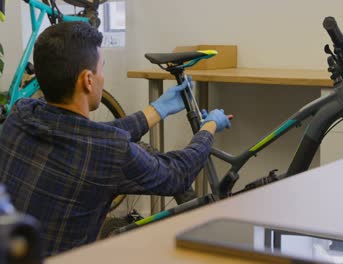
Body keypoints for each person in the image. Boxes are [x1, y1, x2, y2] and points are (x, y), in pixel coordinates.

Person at [0, 21, 231, 257]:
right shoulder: (108, 151)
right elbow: (177, 173)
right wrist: (210, 126)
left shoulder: (21, 114)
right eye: (102, 67)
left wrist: (157, 110)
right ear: (88, 80)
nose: (103, 76)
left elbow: (94, 137)